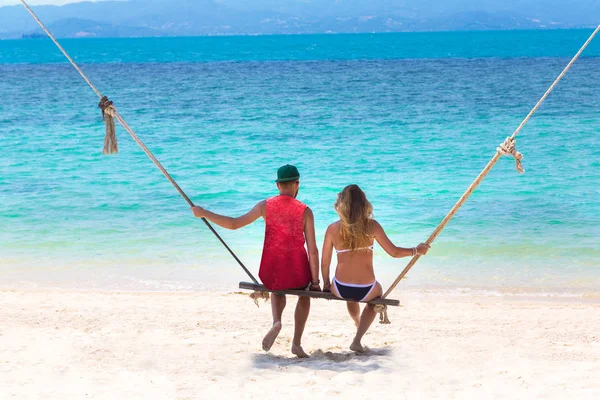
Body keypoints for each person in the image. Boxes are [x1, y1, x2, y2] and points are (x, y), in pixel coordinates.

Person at [191, 164, 320, 358]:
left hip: (272, 272)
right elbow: (313, 250)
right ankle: (296, 343)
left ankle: (277, 321)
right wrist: (316, 282)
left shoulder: (264, 206)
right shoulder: (305, 211)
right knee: (305, 294)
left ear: (278, 185)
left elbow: (234, 224)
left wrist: (204, 213)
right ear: (297, 184)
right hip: (298, 274)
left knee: (277, 288)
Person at [321, 184, 430, 353]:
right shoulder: (372, 226)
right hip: (366, 289)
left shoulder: (332, 229)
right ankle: (357, 338)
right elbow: (394, 252)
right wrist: (416, 250)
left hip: (341, 288)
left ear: (341, 204)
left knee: (351, 298)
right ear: (364, 204)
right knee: (377, 296)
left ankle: (358, 323)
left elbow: (325, 262)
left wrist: (326, 285)